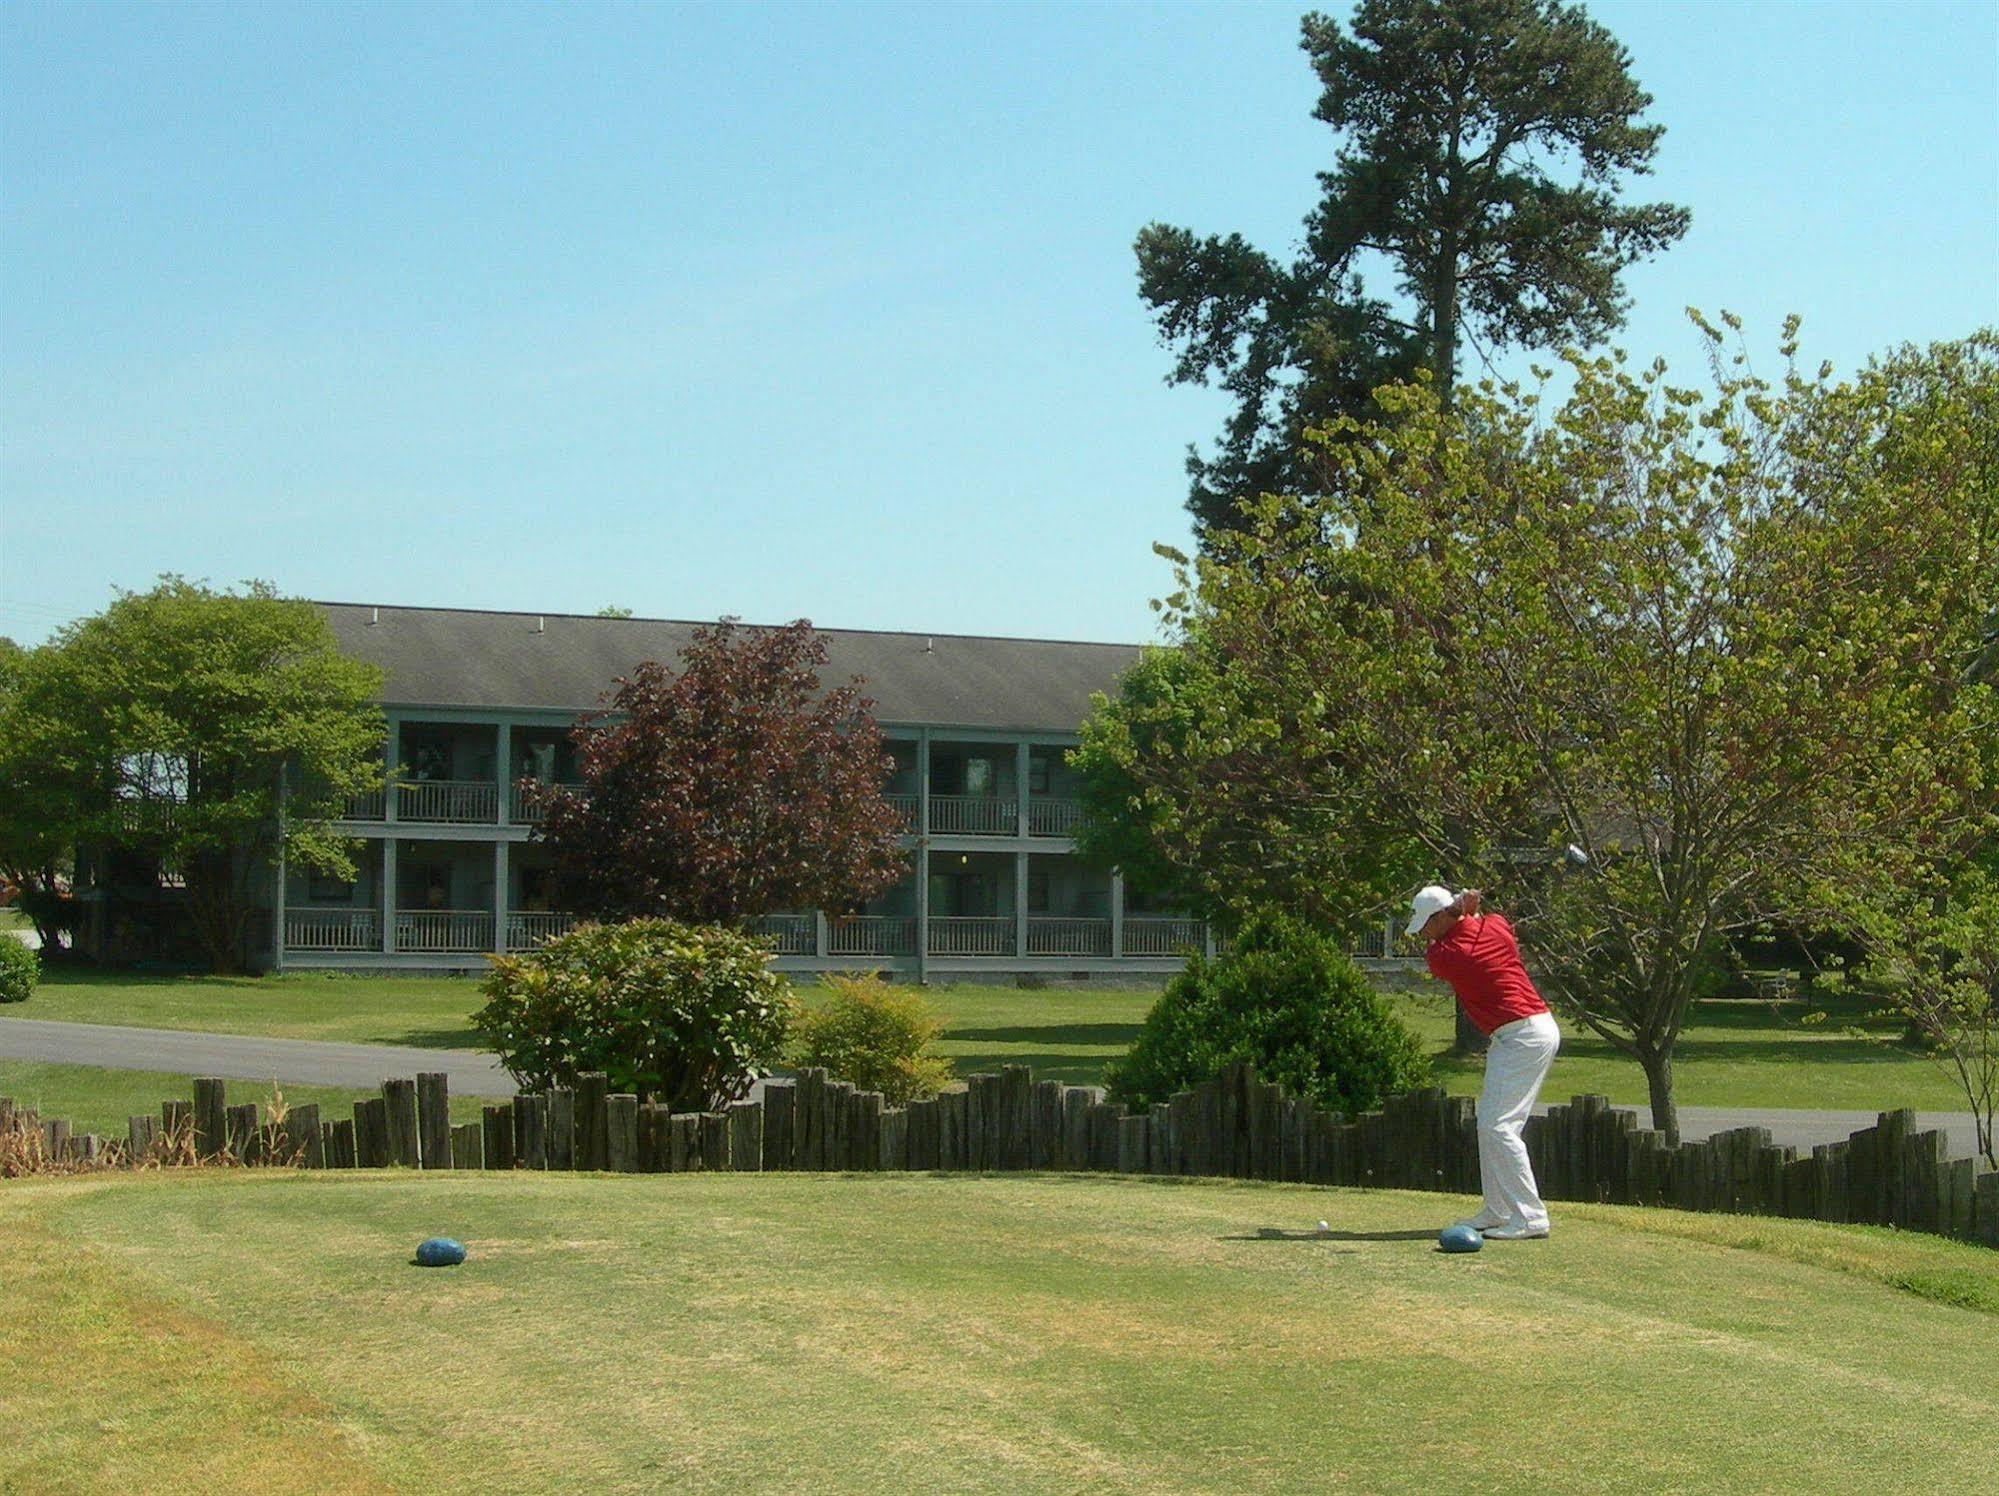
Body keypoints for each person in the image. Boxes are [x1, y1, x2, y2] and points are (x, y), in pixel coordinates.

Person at [1406, 884, 1561, 1240]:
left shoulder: (1447, 956)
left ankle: (1531, 1217)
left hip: (1524, 1035)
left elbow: (1441, 954)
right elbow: (1487, 926)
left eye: (1427, 925)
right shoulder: (1495, 924)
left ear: (1443, 916)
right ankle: (1498, 1210)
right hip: (1522, 1032)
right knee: (1489, 1124)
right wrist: (1470, 912)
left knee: (1499, 1127)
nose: (1424, 934)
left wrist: (1464, 912)